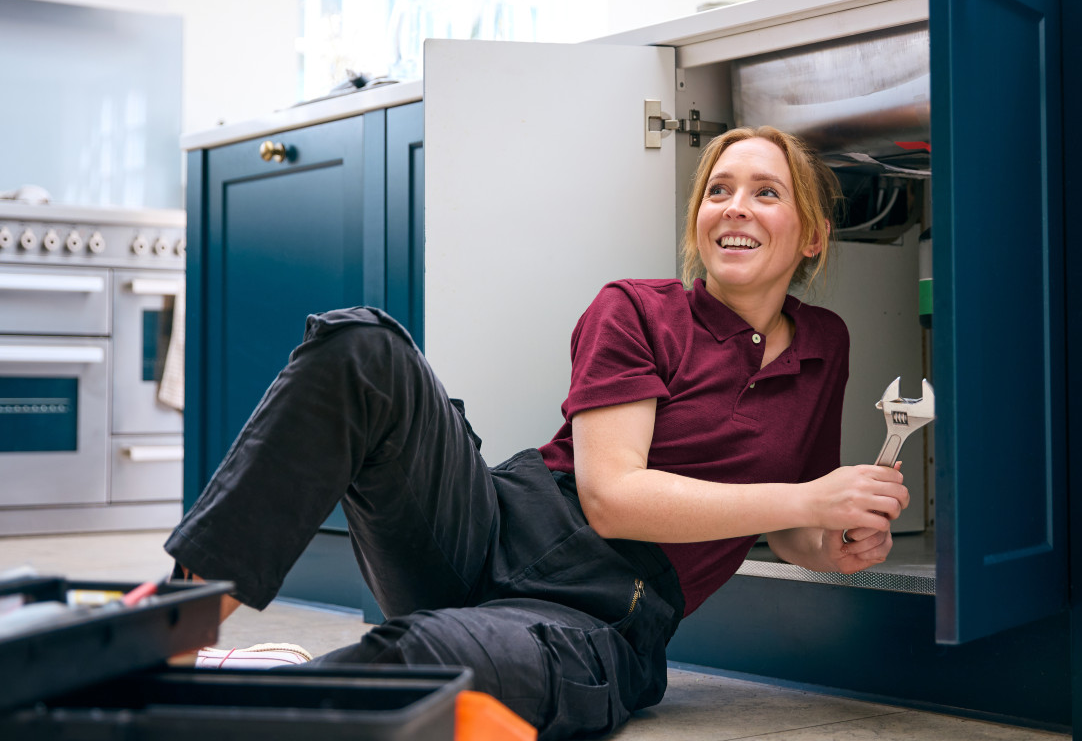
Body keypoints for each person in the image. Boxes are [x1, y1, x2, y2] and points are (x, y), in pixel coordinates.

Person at [165, 125, 910, 740]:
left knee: (439, 663)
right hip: (491, 527)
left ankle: (261, 705)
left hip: (599, 615)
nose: (734, 207)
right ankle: (173, 635)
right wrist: (811, 503)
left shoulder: (824, 346)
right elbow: (614, 496)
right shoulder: (636, 309)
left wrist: (836, 541)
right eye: (718, 190)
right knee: (365, 349)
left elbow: (791, 523)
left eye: (764, 192)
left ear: (811, 237)